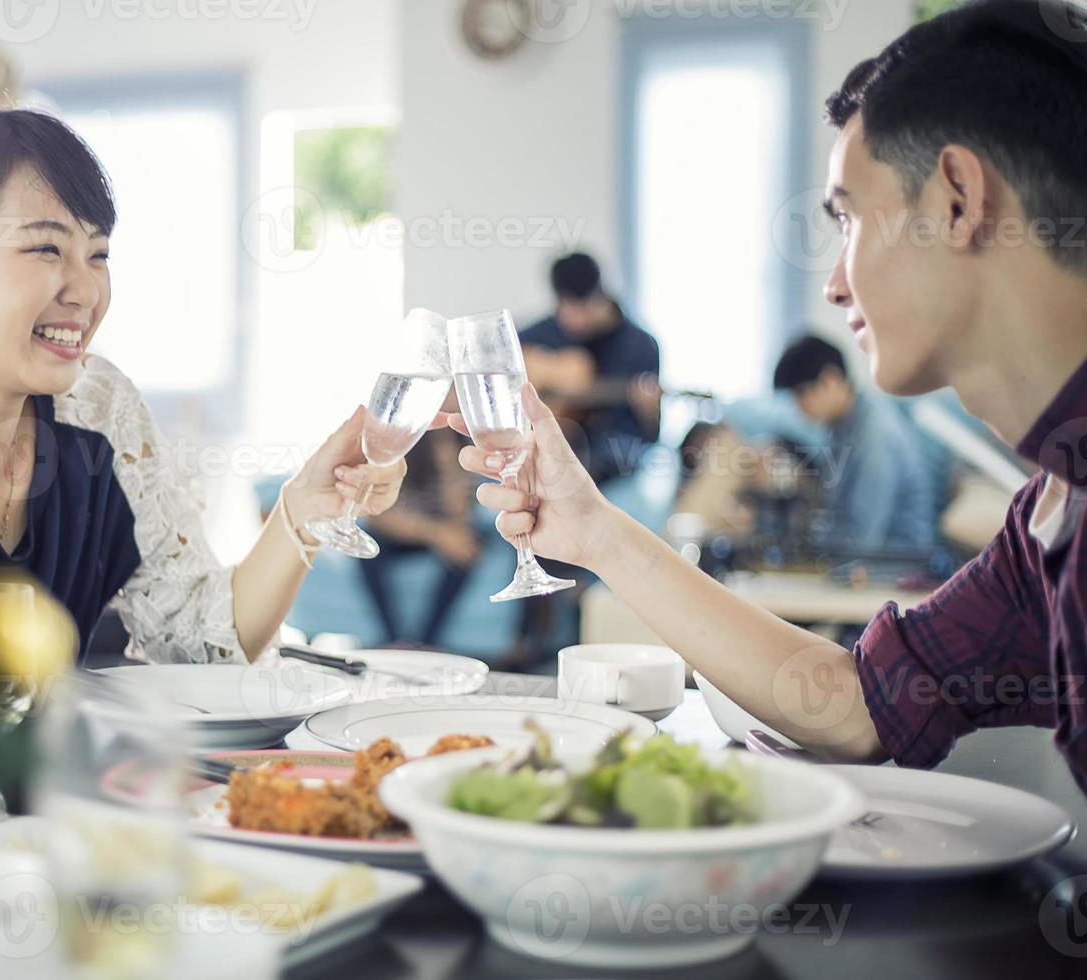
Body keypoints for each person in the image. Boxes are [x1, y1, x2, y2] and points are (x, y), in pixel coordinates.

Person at [451, 0, 1087, 794]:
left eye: (849, 219)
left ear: (958, 199)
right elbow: (858, 707)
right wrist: (597, 534)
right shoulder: (1047, 524)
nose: (833, 281)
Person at [0, 106, 428, 678]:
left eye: (98, 253)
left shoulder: (96, 408)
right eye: (46, 250)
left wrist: (302, 510)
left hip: (46, 807)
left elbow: (201, 641)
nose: (86, 291)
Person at [773, 335, 940, 552]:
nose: (799, 408)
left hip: (895, 567)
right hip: (862, 557)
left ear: (830, 379)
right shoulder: (840, 425)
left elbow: (861, 539)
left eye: (802, 394)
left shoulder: (874, 436)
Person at [521, 252, 662, 483]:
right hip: (554, 443)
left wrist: (649, 412)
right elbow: (501, 365)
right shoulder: (541, 334)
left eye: (582, 308)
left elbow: (649, 436)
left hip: (611, 451)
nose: (573, 319)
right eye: (566, 309)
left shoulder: (642, 346)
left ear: (601, 295)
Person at [358, 427, 482, 647]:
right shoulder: (396, 453)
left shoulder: (461, 450)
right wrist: (433, 533)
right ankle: (393, 638)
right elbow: (380, 517)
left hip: (438, 531)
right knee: (369, 549)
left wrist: (450, 465)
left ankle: (427, 641)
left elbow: (459, 518)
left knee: (466, 549)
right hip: (405, 533)